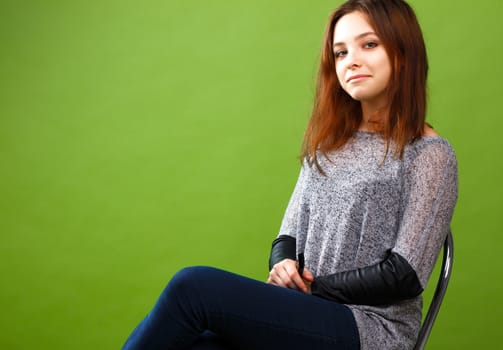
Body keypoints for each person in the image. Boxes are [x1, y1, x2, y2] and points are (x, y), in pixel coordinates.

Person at [122, 0, 458, 349]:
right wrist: (282, 264)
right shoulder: (329, 145)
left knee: (191, 287)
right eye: (340, 52)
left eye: (369, 44)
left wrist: (313, 287)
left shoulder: (429, 154)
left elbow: (405, 273)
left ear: (403, 52)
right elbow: (287, 237)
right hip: (307, 312)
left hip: (370, 328)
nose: (352, 60)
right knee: (197, 345)